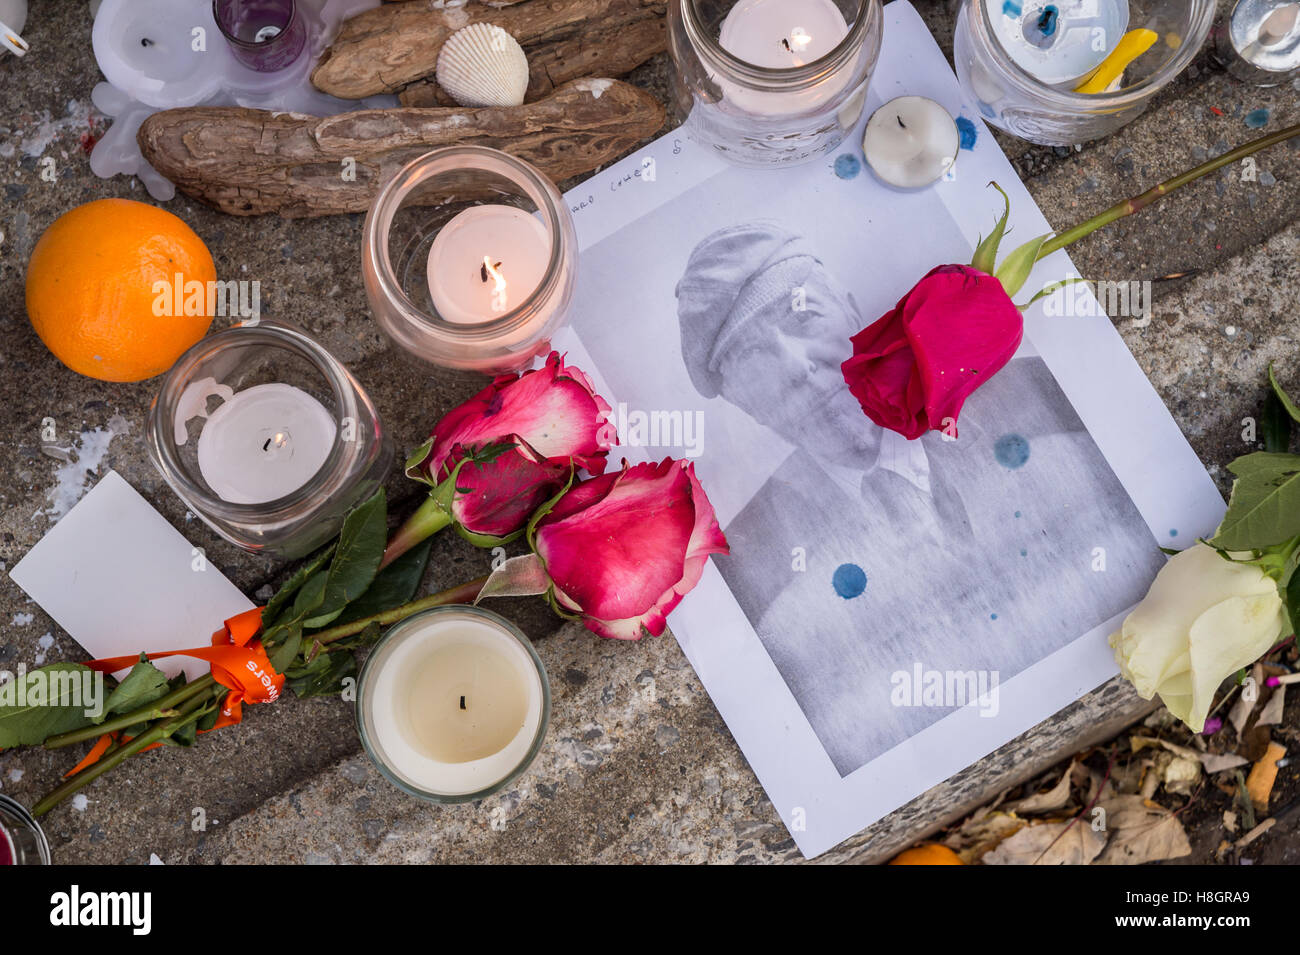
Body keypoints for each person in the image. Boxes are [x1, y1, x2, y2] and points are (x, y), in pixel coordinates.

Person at [676, 221, 1165, 774]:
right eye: (753, 359)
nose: (796, 369)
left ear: (852, 306)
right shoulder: (758, 576)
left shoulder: (1055, 411)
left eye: (802, 317)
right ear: (742, 402)